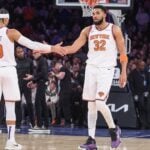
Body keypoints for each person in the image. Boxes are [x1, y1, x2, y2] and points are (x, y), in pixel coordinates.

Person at [63, 5, 128, 149]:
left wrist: (123, 72)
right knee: (91, 106)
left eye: (97, 13)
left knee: (99, 102)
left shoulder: (114, 29)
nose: (94, 15)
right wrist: (58, 49)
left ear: (104, 14)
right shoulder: (87, 30)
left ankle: (113, 131)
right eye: (93, 13)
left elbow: (123, 53)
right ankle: (91, 140)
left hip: (106, 69)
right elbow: (73, 48)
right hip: (91, 69)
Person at [0, 8, 64, 150]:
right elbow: (32, 45)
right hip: (9, 71)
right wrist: (52, 48)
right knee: (10, 107)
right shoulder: (11, 32)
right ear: (7, 20)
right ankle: (10, 141)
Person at [15, 46, 35, 128]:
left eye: (21, 51)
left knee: (30, 103)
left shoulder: (30, 61)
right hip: (17, 85)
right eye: (18, 52)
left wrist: (32, 81)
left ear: (24, 52)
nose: (20, 53)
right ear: (16, 53)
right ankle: (18, 124)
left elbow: (33, 73)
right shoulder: (14, 62)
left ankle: (33, 123)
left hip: (27, 84)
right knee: (17, 104)